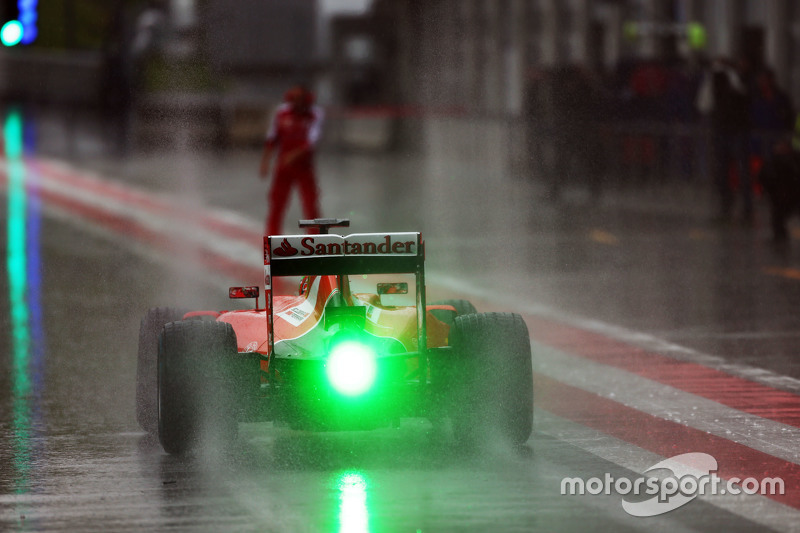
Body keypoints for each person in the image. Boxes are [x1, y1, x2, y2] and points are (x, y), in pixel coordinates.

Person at [259, 86, 324, 235]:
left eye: (301, 99)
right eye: (295, 99)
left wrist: (294, 155)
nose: (298, 103)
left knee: (311, 205)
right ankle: (272, 238)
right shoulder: (281, 113)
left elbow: (312, 141)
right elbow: (271, 137)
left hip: (304, 168)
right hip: (283, 167)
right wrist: (265, 162)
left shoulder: (315, 114)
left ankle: (316, 241)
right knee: (276, 204)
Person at [697, 57, 753, 223]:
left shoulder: (739, 80)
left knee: (738, 171)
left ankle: (741, 206)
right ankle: (728, 204)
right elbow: (706, 103)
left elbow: (743, 94)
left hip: (733, 130)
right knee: (725, 170)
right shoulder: (718, 79)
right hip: (725, 129)